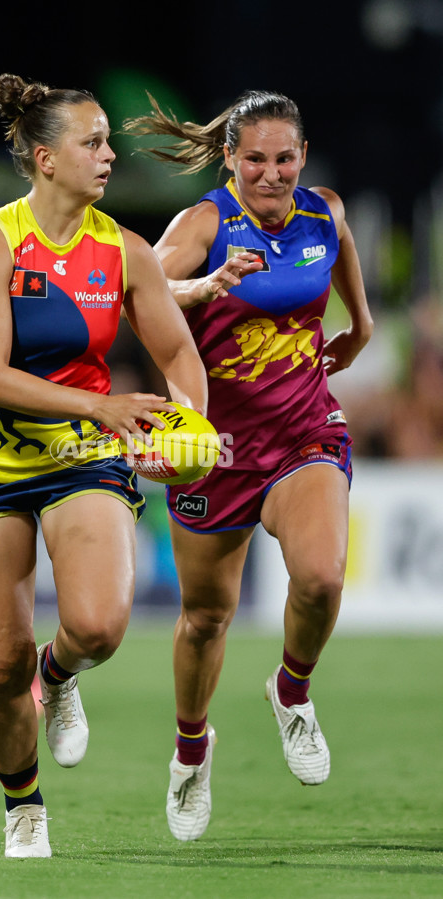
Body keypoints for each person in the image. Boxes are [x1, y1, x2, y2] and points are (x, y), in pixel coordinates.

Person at [0, 72, 208, 859]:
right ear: (46, 159)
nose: (109, 155)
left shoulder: (124, 250)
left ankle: (58, 674)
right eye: (93, 142)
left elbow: (179, 353)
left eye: (108, 141)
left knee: (97, 624)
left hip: (82, 457)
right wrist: (102, 406)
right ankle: (23, 804)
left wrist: (192, 429)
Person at [124, 90, 373, 840]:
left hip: (304, 431)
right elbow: (144, 292)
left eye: (285, 158)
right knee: (205, 619)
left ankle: (291, 690)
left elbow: (346, 274)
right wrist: (204, 286)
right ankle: (191, 753)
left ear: (302, 157)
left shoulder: (321, 212)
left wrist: (359, 330)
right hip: (216, 449)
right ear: (231, 157)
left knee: (324, 576)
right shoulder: (204, 223)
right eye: (256, 159)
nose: (272, 174)